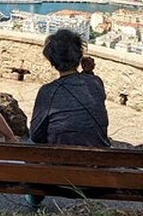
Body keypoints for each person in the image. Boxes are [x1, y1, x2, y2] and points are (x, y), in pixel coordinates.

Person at [27, 29, 109, 208]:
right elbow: (91, 95)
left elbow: (36, 135)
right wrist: (88, 72)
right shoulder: (95, 83)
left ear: (51, 60)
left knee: (30, 141)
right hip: (97, 173)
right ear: (79, 57)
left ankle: (34, 196)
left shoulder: (47, 91)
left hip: (58, 176)